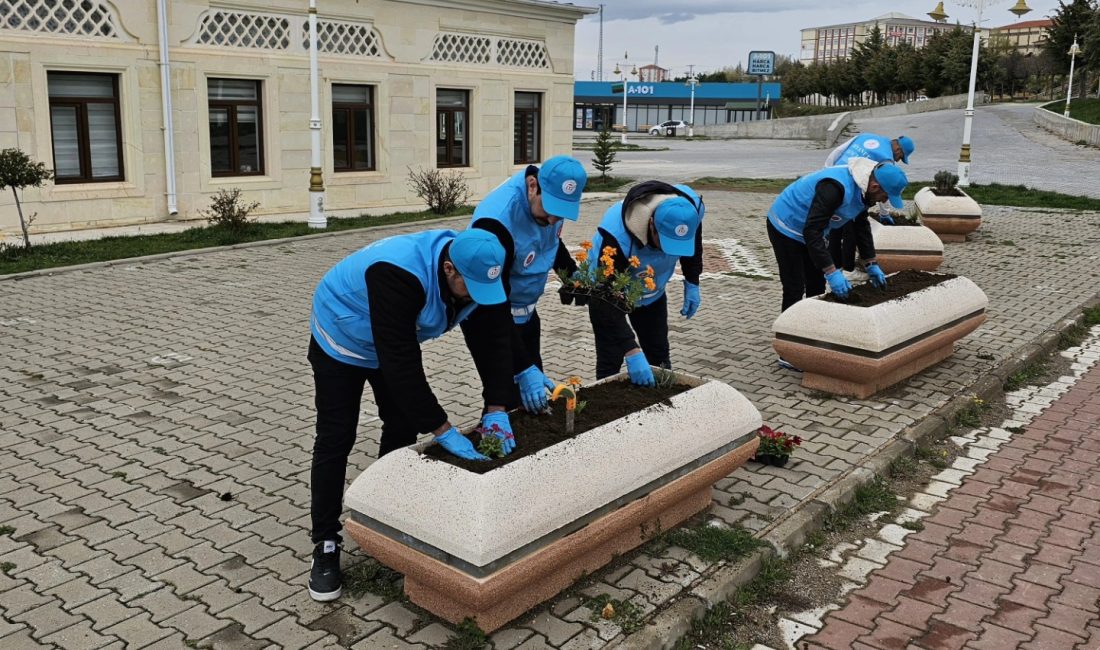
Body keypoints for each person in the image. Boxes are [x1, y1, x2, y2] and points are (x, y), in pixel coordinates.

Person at [306, 228, 514, 602]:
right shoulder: (398, 273)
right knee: (337, 435)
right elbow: (400, 362)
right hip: (341, 334)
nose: (481, 298)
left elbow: (495, 336)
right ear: (449, 269)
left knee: (400, 422)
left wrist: (497, 405)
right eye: (473, 289)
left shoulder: (481, 266)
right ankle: (325, 542)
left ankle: (384, 511)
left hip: (389, 339)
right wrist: (442, 429)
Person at [460, 155, 588, 413]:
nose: (554, 220)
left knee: (532, 392)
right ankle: (494, 439)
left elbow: (552, 242)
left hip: (525, 314)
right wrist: (522, 366)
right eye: (551, 210)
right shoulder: (495, 224)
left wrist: (571, 276)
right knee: (503, 394)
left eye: (562, 212)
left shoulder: (551, 201)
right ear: (532, 186)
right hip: (491, 317)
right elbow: (494, 303)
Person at [766, 159, 909, 369]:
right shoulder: (835, 187)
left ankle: (810, 336)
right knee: (794, 285)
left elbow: (860, 225)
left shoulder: (863, 190)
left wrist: (871, 262)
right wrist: (832, 270)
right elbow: (811, 231)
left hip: (812, 230)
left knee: (816, 285)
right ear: (875, 186)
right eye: (885, 196)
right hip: (786, 225)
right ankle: (789, 350)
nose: (884, 200)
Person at [578, 181, 704, 384]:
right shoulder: (617, 235)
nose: (667, 252)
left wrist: (692, 282)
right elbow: (605, 297)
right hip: (608, 294)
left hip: (651, 295)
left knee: (659, 355)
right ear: (652, 224)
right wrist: (631, 349)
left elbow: (693, 245)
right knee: (610, 360)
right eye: (664, 243)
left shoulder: (689, 211)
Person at [824, 134, 915, 272]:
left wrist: (827, 173)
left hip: (833, 181)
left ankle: (835, 266)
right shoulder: (887, 161)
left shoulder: (866, 137)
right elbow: (885, 189)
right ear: (898, 150)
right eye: (901, 157)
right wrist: (884, 214)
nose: (898, 160)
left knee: (835, 227)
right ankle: (847, 270)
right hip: (853, 191)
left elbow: (837, 152)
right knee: (852, 229)